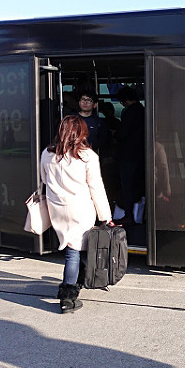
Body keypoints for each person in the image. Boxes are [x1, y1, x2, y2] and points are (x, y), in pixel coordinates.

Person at [41, 115, 113, 314]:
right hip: (80, 209)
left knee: (73, 246)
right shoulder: (87, 156)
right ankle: (67, 297)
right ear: (81, 132)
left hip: (57, 209)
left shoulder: (47, 154)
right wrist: (105, 216)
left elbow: (44, 180)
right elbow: (96, 187)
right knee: (73, 251)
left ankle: (80, 281)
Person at [115, 86, 145, 224]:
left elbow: (122, 134)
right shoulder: (143, 111)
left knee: (127, 186)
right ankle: (143, 215)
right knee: (139, 185)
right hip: (142, 154)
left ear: (125, 100)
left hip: (128, 155)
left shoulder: (129, 113)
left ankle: (129, 215)